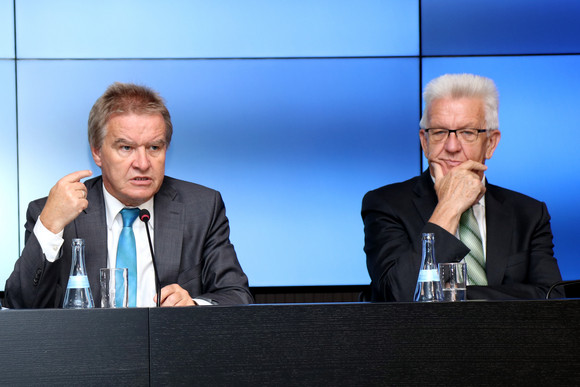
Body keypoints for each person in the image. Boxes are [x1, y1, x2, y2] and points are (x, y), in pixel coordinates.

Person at [5, 82, 253, 308]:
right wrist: (49, 226)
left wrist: (195, 307)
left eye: (154, 147)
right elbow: (21, 307)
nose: (143, 163)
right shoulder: (54, 213)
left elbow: (238, 297)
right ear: (97, 152)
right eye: (126, 148)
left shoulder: (202, 208)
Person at [362, 73, 562, 301]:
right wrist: (449, 206)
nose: (452, 146)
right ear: (424, 142)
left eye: (467, 133)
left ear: (491, 143)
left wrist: (452, 296)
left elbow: (550, 297)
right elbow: (398, 296)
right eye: (439, 132)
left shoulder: (529, 213)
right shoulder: (385, 205)